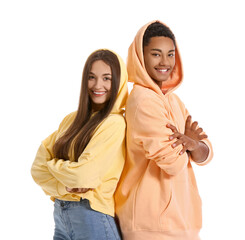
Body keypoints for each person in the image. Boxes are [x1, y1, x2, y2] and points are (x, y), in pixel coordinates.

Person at [115, 21, 214, 240]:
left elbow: (206, 153)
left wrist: (194, 145)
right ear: (141, 57)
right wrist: (190, 147)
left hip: (181, 221)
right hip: (150, 224)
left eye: (170, 54)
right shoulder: (143, 101)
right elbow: (174, 163)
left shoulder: (174, 101)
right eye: (156, 54)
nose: (165, 62)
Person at [31, 49, 128, 240]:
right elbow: (36, 169)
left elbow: (84, 176)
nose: (98, 85)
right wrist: (65, 188)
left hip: (93, 217)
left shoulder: (114, 123)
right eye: (91, 77)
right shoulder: (71, 120)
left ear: (118, 81)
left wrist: (53, 165)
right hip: (61, 216)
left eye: (107, 78)